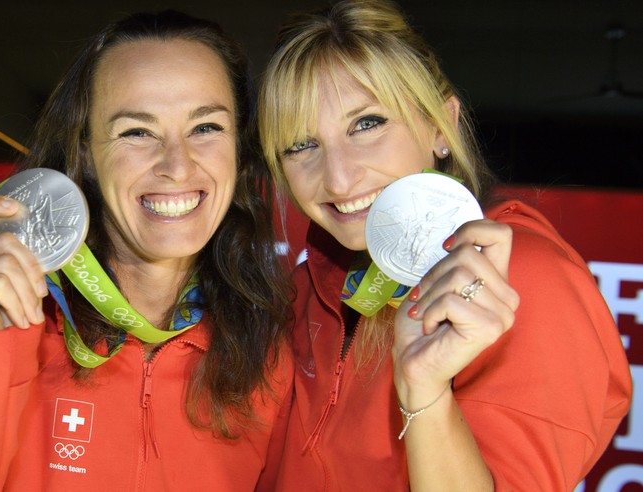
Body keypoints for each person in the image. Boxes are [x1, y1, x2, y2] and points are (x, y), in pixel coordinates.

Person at [0, 10, 292, 491]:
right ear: (86, 153)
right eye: (137, 131)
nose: (177, 166)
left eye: (206, 127)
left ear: (240, 149)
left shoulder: (270, 331)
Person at [257, 0, 632, 490]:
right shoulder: (307, 285)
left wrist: (424, 392)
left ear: (442, 125)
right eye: (300, 144)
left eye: (366, 124)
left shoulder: (523, 276)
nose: (339, 177)